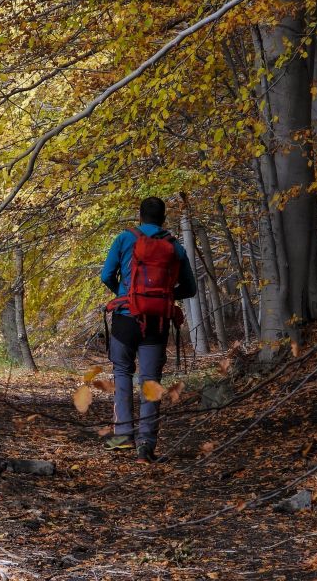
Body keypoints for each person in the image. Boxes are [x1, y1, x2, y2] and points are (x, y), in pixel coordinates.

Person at [100, 197, 197, 462]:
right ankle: (146, 445)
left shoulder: (124, 239)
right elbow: (190, 288)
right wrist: (163, 297)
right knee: (150, 380)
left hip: (125, 318)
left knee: (122, 372)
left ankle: (123, 436)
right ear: (163, 219)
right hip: (157, 322)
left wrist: (125, 295)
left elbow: (106, 275)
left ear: (139, 216)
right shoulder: (174, 246)